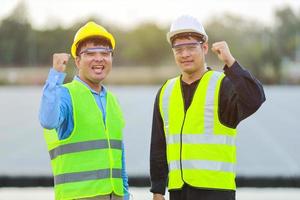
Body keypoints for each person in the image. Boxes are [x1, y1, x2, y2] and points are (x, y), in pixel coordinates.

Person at [150, 15, 266, 200]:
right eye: (179, 49)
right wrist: (157, 190)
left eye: (191, 47)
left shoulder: (223, 86)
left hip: (216, 191)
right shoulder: (166, 91)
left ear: (204, 48)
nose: (185, 54)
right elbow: (158, 143)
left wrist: (231, 62)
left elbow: (255, 98)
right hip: (178, 191)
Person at [39, 21, 129, 200]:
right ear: (78, 60)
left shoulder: (112, 101)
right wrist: (56, 75)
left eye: (105, 53)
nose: (99, 58)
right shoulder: (65, 95)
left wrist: (125, 195)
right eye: (90, 53)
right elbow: (47, 120)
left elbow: (119, 159)